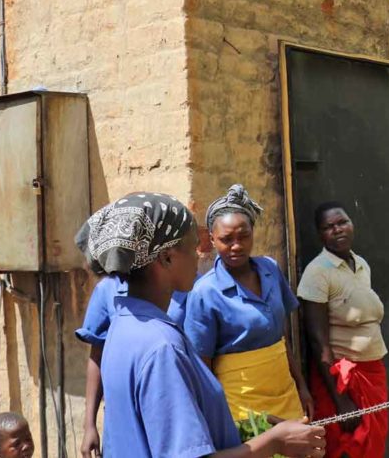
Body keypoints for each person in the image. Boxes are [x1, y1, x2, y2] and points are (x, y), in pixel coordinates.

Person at [78, 192, 325, 458]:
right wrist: (274, 442)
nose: (199, 256)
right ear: (167, 258)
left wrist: (250, 431)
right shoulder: (161, 347)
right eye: (194, 246)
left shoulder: (124, 324)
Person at [184, 184, 313, 422]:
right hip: (241, 406)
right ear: (212, 240)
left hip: (284, 392)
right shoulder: (205, 292)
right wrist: (213, 418)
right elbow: (203, 365)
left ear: (253, 231)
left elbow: (281, 339)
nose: (236, 245)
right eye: (226, 239)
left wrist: (301, 386)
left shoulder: (270, 270)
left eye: (244, 236)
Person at [74, 246, 193, 457]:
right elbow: (97, 356)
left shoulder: (190, 285)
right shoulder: (107, 291)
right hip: (127, 412)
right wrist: (89, 425)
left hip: (175, 404)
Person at [298, 202, 388, 458]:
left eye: (342, 222)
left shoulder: (360, 264)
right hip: (342, 381)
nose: (337, 230)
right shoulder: (318, 273)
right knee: (346, 447)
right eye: (329, 227)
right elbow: (318, 342)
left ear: (352, 224)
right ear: (320, 234)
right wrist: (341, 400)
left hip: (372, 372)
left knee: (373, 445)